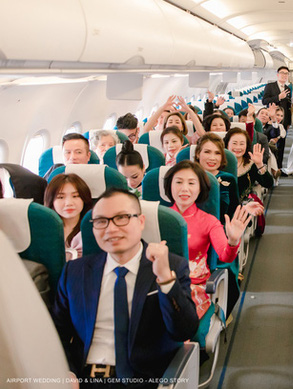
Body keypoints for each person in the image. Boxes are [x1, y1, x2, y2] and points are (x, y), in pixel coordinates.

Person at [52, 188, 199, 384]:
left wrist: (165, 278)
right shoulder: (75, 271)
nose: (111, 229)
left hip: (144, 380)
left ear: (141, 221)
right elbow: (56, 332)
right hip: (82, 378)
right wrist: (68, 372)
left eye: (121, 218)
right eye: (101, 221)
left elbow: (184, 331)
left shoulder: (171, 266)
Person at [165, 161, 251, 345]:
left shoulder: (209, 221)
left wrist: (233, 240)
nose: (184, 188)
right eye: (178, 182)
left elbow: (225, 256)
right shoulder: (158, 217)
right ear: (169, 186)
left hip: (193, 286)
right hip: (159, 281)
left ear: (200, 188)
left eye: (191, 183)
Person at [194, 133, 243, 221]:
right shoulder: (188, 178)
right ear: (198, 154)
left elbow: (236, 210)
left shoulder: (228, 179)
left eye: (217, 153)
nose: (212, 158)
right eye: (207, 152)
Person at [44, 173, 93, 260]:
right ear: (51, 201)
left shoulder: (94, 228)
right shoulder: (43, 231)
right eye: (61, 197)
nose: (69, 203)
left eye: (75, 196)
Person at [224, 128, 274, 201]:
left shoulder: (250, 164)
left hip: (245, 204)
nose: (238, 147)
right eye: (234, 143)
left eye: (242, 144)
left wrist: (260, 165)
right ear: (227, 144)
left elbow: (268, 184)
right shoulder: (218, 163)